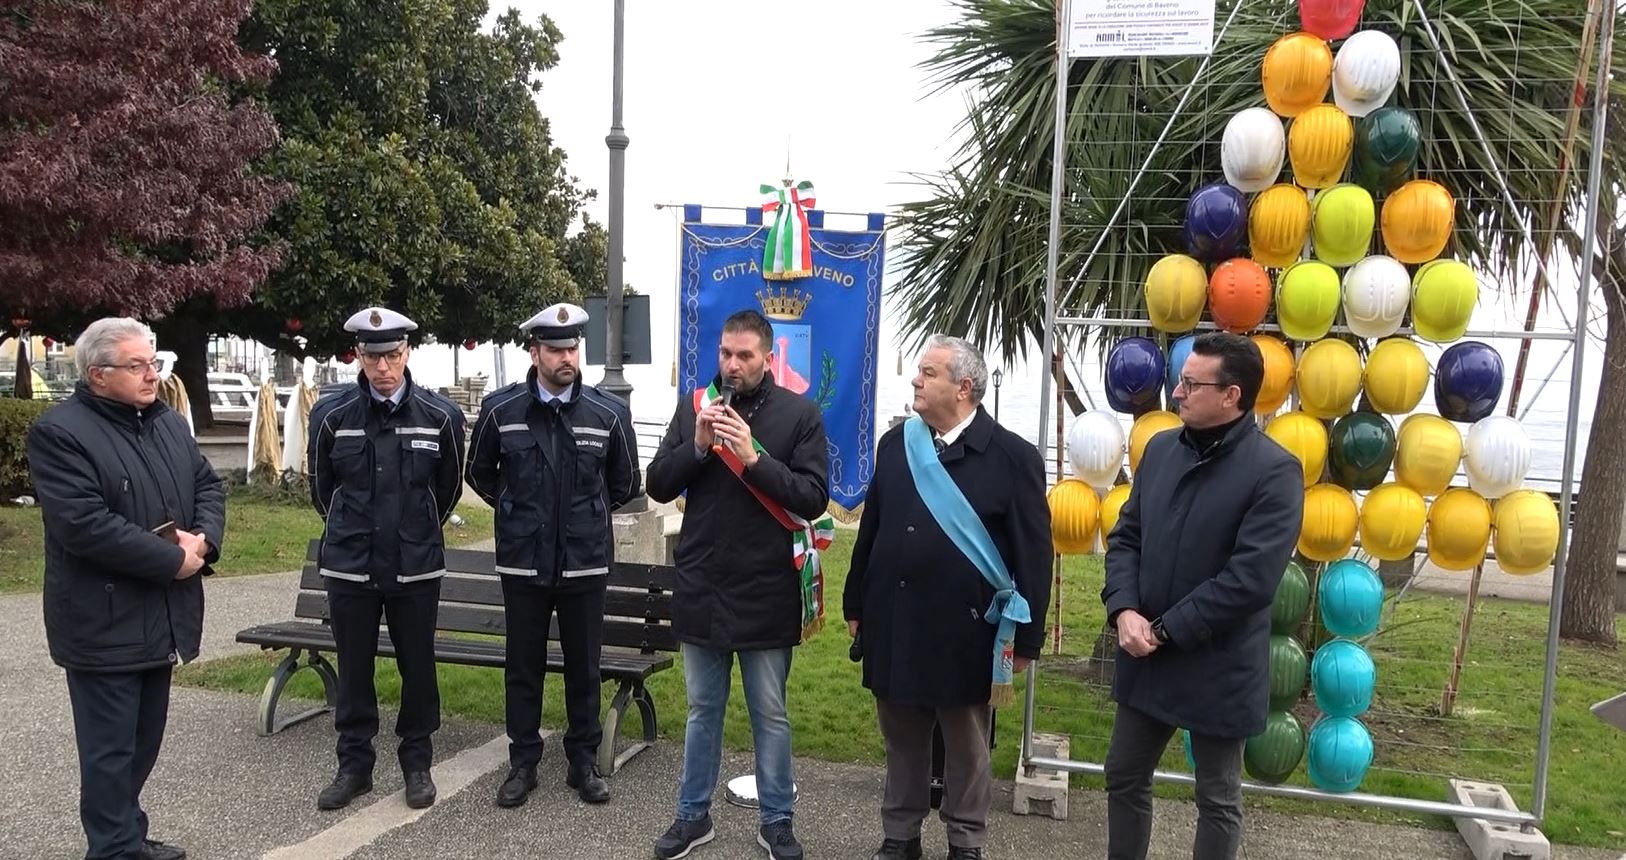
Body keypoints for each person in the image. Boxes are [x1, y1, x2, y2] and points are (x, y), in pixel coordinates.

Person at [844, 335, 1051, 860]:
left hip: (969, 631)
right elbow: (872, 530)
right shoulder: (897, 445)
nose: (916, 380)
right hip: (895, 619)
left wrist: (1027, 640)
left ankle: (965, 841)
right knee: (901, 738)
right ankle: (900, 835)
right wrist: (855, 602)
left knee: (967, 747)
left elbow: (1034, 555)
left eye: (928, 373)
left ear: (963, 388)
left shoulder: (1013, 458)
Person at [1100, 332, 1305, 860]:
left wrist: (1166, 629)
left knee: (1217, 797)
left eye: (1191, 384)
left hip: (1219, 662)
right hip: (1146, 652)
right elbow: (1126, 537)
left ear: (1232, 395)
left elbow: (1250, 580)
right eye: (1180, 380)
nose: (1177, 392)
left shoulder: (1275, 471)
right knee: (1123, 773)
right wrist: (1124, 610)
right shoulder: (1160, 450)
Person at [27, 317, 225, 860]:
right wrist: (172, 560)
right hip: (103, 622)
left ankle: (125, 837)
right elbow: (85, 526)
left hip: (161, 616)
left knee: (141, 744)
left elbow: (207, 485)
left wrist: (204, 541)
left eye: (152, 363)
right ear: (97, 374)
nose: (151, 375)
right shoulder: (60, 434)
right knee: (110, 753)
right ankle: (113, 849)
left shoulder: (166, 424)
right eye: (137, 366)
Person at [645, 308, 831, 860]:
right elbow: (657, 485)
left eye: (744, 355)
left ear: (767, 358)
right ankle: (692, 815)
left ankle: (777, 820)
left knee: (769, 713)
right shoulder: (694, 408)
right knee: (703, 710)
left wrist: (752, 458)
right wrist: (698, 448)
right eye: (726, 353)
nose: (732, 365)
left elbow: (812, 498)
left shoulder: (799, 415)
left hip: (766, 588)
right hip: (702, 584)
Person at [467, 302, 640, 807]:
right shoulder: (502, 410)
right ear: (534, 352)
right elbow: (480, 472)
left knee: (585, 667)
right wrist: (518, 510)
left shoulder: (607, 413)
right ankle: (522, 762)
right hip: (524, 559)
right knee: (523, 666)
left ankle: (583, 762)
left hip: (585, 560)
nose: (567, 357)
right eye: (556, 349)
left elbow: (625, 482)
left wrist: (583, 515)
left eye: (573, 348)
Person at [305, 307, 466, 811]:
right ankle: (354, 766)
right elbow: (322, 489)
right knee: (354, 669)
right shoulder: (331, 416)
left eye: (392, 355)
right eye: (372, 356)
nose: (383, 367)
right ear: (358, 356)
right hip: (350, 564)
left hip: (414, 565)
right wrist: (352, 527)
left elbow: (448, 490)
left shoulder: (440, 416)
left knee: (418, 668)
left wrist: (413, 528)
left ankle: (417, 762)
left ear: (407, 352)